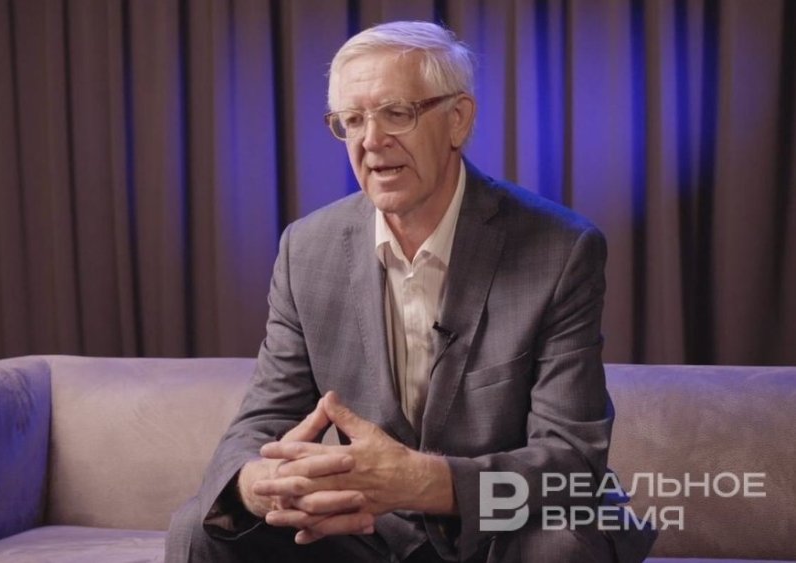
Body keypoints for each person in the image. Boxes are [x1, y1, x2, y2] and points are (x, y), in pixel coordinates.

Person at [166, 20, 655, 563]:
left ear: (458, 119)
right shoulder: (306, 250)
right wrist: (260, 482)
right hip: (369, 528)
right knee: (204, 526)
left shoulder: (560, 249)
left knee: (560, 545)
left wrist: (421, 482)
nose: (371, 141)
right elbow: (259, 425)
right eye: (353, 120)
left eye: (396, 113)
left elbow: (570, 461)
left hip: (502, 524)